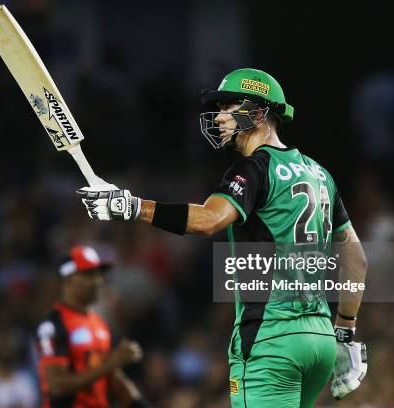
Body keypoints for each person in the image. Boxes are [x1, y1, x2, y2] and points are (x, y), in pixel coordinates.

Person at [77, 68, 368, 407]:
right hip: (318, 340)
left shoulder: (255, 168)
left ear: (258, 112)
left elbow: (209, 220)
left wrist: (131, 207)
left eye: (228, 106)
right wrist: (345, 332)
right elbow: (355, 257)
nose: (218, 117)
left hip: (271, 339)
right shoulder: (321, 175)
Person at [35, 245, 147, 407]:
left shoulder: (100, 325)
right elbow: (57, 386)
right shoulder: (52, 326)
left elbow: (116, 382)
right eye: (89, 274)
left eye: (98, 274)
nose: (98, 281)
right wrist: (111, 363)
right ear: (68, 279)